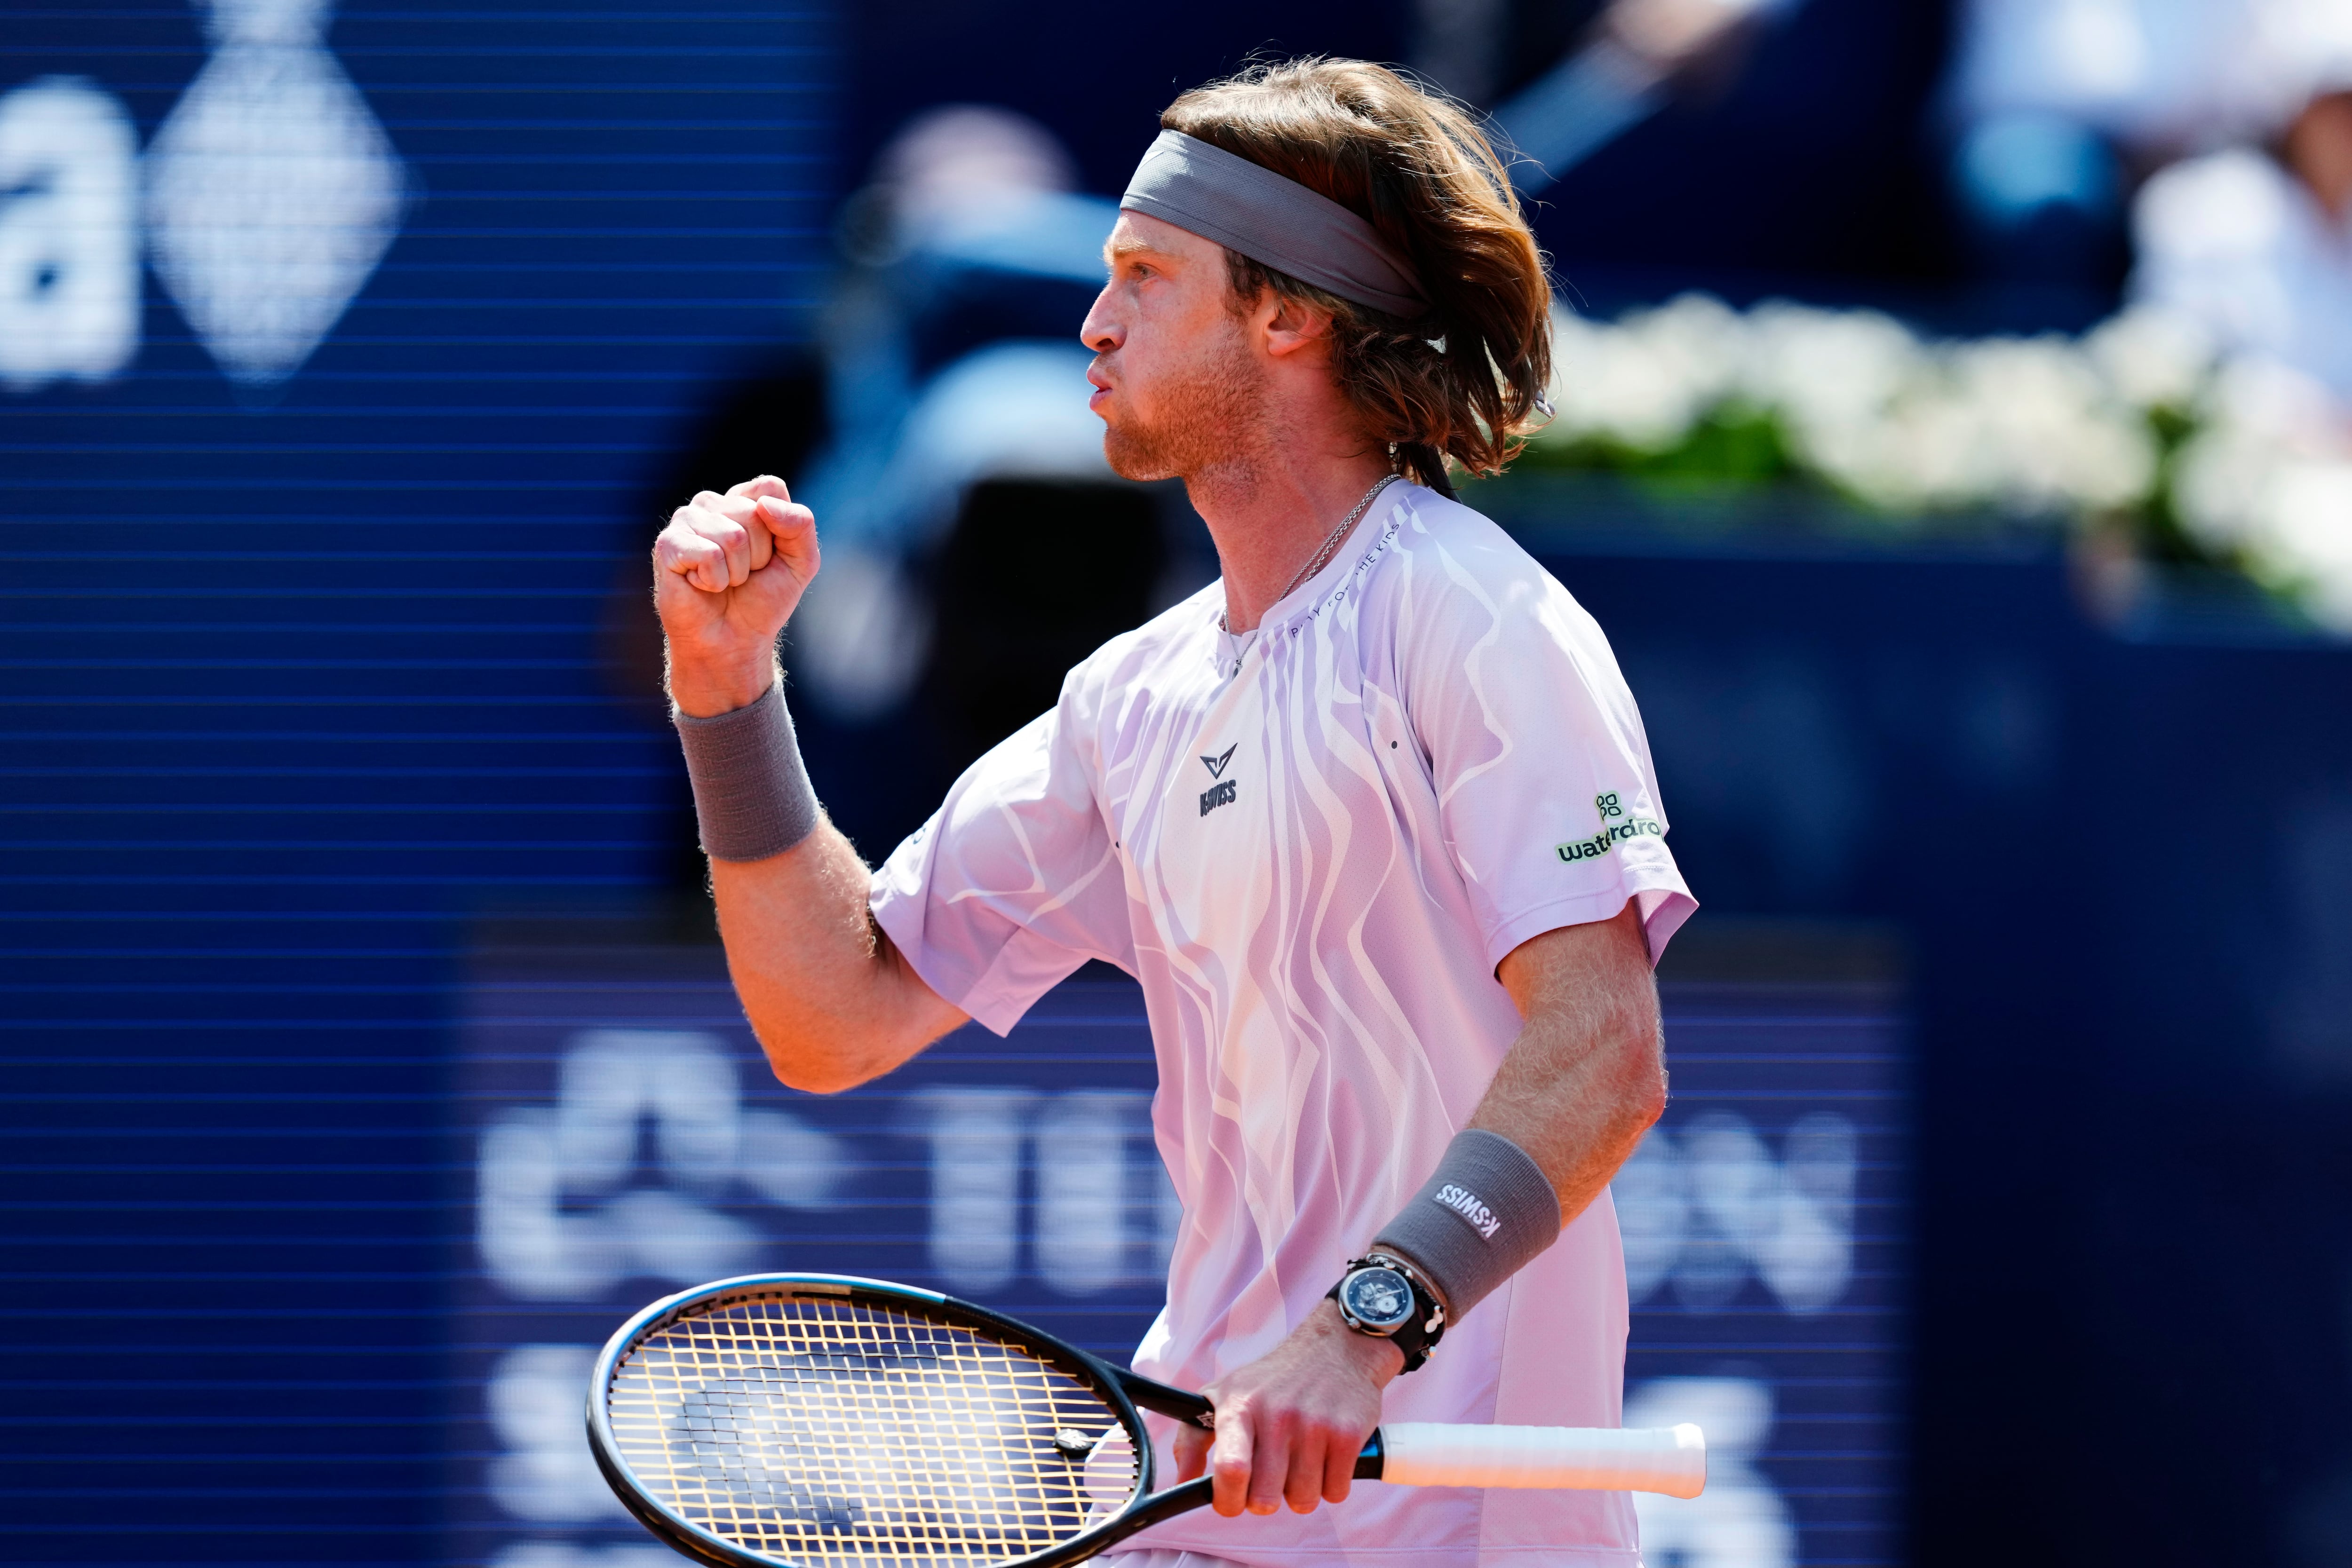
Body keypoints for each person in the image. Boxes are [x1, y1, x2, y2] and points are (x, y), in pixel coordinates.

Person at [652, 57, 1696, 1568]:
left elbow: (1605, 1053)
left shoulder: (1481, 625)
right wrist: (729, 688)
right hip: (1204, 1520)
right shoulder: (1130, 703)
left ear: (1287, 315)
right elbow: (832, 1015)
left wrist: (1363, 1329)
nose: (1092, 323)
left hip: (1463, 1541)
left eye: (1143, 276)